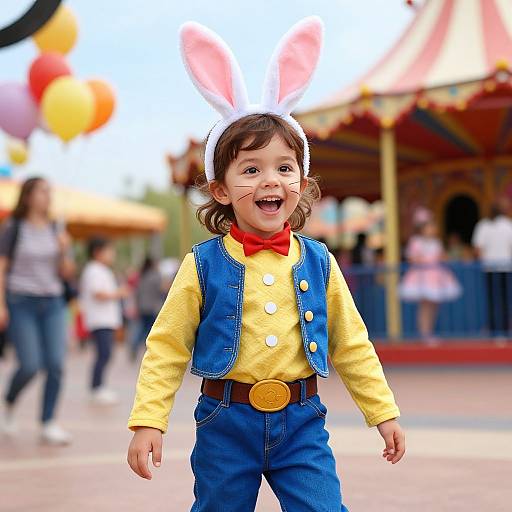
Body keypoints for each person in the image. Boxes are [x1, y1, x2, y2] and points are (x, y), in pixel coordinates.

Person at [127, 18, 405, 511]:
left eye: (283, 167)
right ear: (221, 189)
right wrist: (149, 418)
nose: (269, 180)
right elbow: (167, 345)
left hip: (302, 423)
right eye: (250, 170)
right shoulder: (203, 265)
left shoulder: (318, 260)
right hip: (224, 421)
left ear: (301, 178)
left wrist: (382, 412)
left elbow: (351, 341)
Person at [0, 177, 74, 445]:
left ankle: (48, 422)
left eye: (49, 191)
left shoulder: (56, 229)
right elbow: (2, 267)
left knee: (55, 363)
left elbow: (66, 273)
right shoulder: (14, 228)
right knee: (30, 364)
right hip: (21, 302)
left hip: (52, 302)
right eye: (42, 191)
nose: (47, 196)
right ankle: (9, 401)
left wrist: (65, 251)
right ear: (28, 196)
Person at [400, 209, 462, 343]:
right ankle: (424, 333)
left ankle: (429, 332)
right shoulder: (415, 242)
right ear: (422, 228)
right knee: (425, 307)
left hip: (436, 277)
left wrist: (444, 257)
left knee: (433, 306)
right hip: (422, 277)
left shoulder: (436, 243)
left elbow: (442, 256)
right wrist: (425, 260)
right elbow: (411, 258)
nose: (433, 229)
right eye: (430, 226)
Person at [80, 238, 128, 405]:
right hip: (100, 320)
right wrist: (118, 293)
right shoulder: (94, 270)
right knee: (103, 354)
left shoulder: (101, 270)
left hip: (105, 320)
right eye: (109, 251)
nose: (112, 254)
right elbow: (98, 293)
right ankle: (96, 387)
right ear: (98, 252)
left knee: (105, 353)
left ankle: (99, 386)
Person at [472, 198, 512, 337]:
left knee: (493, 300)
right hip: (506, 268)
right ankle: (504, 329)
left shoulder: (483, 226)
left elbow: (477, 249)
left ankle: (495, 329)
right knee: (505, 299)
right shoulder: (508, 225)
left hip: (489, 267)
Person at [129, 256, 164, 361]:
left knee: (142, 329)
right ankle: (152, 351)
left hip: (142, 307)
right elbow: (162, 289)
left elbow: (137, 293)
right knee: (153, 331)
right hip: (153, 308)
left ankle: (134, 347)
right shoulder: (155, 276)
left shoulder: (142, 276)